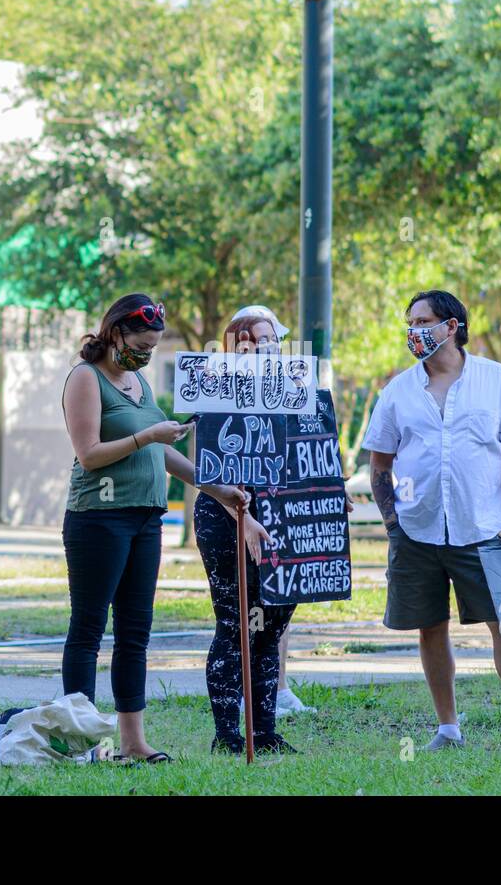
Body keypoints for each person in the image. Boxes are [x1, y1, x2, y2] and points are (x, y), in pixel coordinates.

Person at [362, 289, 501, 757]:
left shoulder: (496, 381)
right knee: (430, 628)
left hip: (482, 530)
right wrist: (394, 524)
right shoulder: (396, 391)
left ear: (451, 326)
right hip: (416, 533)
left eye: (423, 321)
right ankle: (448, 728)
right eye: (409, 323)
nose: (413, 331)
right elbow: (381, 465)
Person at [61, 293, 253, 763]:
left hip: (146, 518)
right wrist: (148, 433)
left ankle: (133, 742)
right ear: (115, 332)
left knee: (134, 633)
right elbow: (89, 454)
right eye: (139, 346)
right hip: (98, 519)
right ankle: (77, 739)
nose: (144, 355)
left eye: (151, 349)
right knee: (89, 628)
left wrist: (216, 489)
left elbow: (160, 453)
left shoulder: (138, 382)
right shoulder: (86, 379)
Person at [230, 303, 316, 719]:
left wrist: (329, 491)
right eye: (253, 340)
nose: (265, 348)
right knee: (247, 607)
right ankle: (246, 692)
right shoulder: (223, 389)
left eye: (271, 340)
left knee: (281, 601)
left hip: (283, 507)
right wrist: (241, 513)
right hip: (239, 512)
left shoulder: (293, 390)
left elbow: (304, 450)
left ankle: (278, 688)